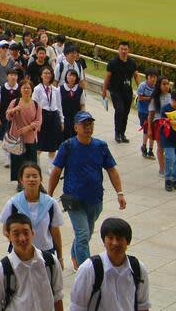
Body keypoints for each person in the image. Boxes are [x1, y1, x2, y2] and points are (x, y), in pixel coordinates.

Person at [46, 110, 126, 269]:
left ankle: (75, 255)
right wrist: (48, 196)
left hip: (95, 199)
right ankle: (87, 270)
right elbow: (56, 171)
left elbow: (111, 170)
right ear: (76, 127)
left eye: (90, 124)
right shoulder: (68, 146)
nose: (88, 127)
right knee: (83, 234)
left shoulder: (100, 146)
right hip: (73, 200)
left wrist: (120, 193)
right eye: (84, 124)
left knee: (86, 233)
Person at [0, 213, 63, 311]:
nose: (22, 238)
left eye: (26, 232)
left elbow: (57, 296)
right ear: (8, 236)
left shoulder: (50, 262)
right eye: (16, 234)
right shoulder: (1, 271)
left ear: (32, 233)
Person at [69, 218, 149, 311]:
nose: (115, 243)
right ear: (104, 241)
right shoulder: (89, 269)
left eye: (119, 238)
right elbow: (77, 307)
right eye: (110, 238)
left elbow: (143, 306)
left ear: (128, 241)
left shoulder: (138, 269)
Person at [0, 162, 63, 256]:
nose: (31, 179)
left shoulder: (51, 203)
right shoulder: (13, 203)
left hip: (46, 253)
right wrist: (18, 243)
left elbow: (55, 232)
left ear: (41, 179)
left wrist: (60, 257)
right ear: (21, 180)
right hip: (20, 254)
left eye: (35, 176)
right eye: (27, 176)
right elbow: (5, 230)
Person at [6, 74, 41, 189]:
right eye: (24, 88)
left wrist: (29, 127)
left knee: (30, 162)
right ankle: (20, 183)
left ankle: (32, 181)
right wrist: (14, 110)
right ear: (20, 89)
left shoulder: (36, 104)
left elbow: (38, 121)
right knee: (18, 162)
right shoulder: (15, 102)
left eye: (28, 88)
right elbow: (7, 116)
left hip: (30, 138)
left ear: (32, 90)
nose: (26, 90)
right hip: (16, 137)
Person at [101, 42, 137, 143]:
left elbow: (136, 75)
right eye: (122, 49)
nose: (123, 51)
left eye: (125, 49)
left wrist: (140, 88)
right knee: (120, 110)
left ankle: (122, 133)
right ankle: (117, 132)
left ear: (128, 50)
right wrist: (104, 90)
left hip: (127, 91)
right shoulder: (113, 62)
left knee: (126, 112)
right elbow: (107, 77)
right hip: (115, 91)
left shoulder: (132, 62)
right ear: (118, 49)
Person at [31, 66, 63, 163]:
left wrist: (61, 120)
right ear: (41, 75)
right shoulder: (37, 89)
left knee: (53, 146)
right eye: (45, 73)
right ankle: (35, 163)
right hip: (42, 116)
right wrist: (36, 121)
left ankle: (51, 167)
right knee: (40, 144)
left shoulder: (56, 90)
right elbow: (34, 106)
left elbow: (59, 106)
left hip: (54, 117)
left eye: (49, 73)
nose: (47, 75)